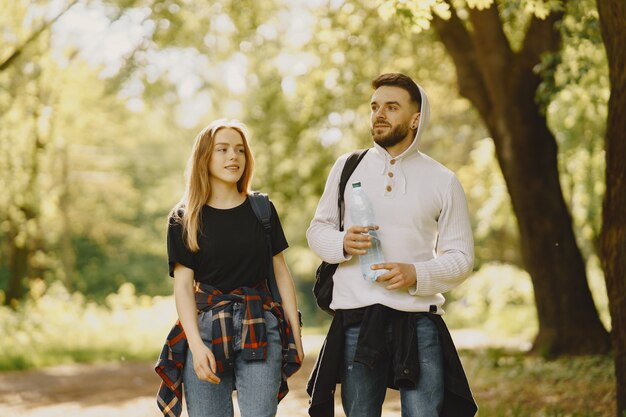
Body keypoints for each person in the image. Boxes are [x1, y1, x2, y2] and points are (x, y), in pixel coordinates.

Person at [306, 73, 478, 417]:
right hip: (358, 318)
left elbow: (461, 258)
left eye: (391, 107)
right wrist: (342, 241)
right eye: (374, 107)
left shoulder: (443, 181)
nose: (378, 114)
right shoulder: (347, 167)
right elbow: (317, 231)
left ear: (416, 119)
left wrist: (416, 273)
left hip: (419, 322)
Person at [155, 119, 304, 417]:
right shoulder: (184, 218)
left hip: (259, 326)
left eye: (239, 150)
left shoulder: (262, 210)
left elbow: (281, 275)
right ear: (205, 157)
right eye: (222, 150)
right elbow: (184, 287)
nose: (233, 156)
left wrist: (295, 337)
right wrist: (196, 347)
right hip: (207, 330)